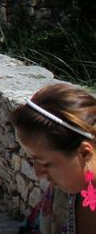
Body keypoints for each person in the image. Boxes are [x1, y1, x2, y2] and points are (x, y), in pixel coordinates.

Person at [11, 82, 96, 234]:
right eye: (33, 160)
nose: (38, 174)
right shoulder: (60, 197)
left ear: (84, 153)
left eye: (46, 163)